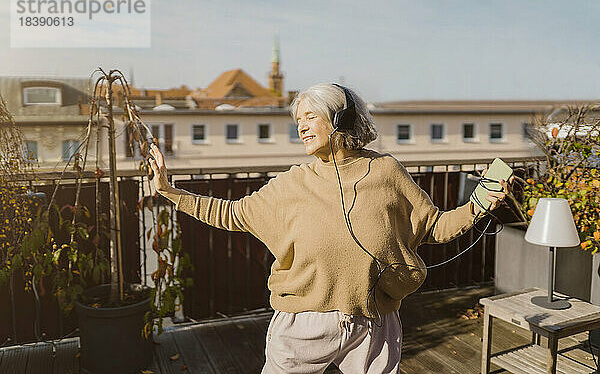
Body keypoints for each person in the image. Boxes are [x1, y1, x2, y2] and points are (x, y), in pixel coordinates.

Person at [148, 83, 510, 374]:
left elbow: (435, 225)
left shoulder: (386, 171)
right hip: (303, 321)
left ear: (339, 118)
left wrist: (478, 205)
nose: (301, 128)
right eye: (297, 121)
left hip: (373, 320)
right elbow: (231, 213)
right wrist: (170, 191)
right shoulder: (292, 183)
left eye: (309, 117)